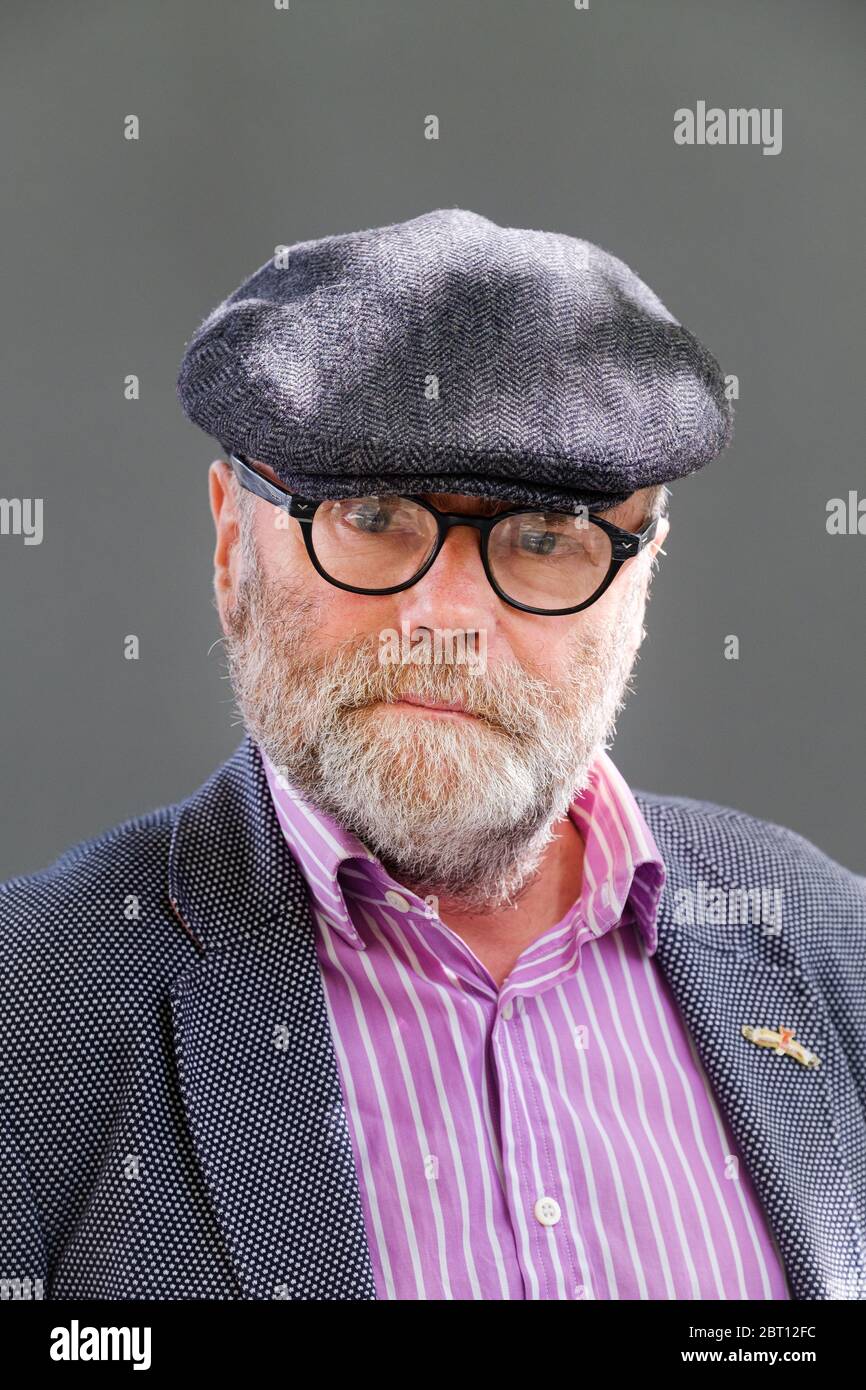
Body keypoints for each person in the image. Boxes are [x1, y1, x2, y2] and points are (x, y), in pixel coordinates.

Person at [1, 209, 863, 1302]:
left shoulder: (835, 949)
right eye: (370, 516)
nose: (442, 621)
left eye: (544, 539)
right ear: (232, 544)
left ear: (638, 584)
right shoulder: (27, 1010)